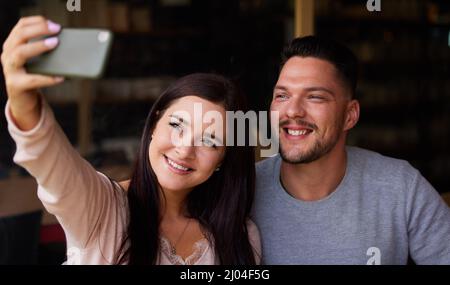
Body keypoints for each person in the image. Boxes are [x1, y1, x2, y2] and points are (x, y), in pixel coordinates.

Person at [1, 16, 261, 265]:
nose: (184, 149)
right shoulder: (103, 207)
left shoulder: (239, 236)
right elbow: (53, 165)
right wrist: (24, 102)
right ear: (154, 126)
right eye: (176, 125)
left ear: (224, 157)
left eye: (209, 141)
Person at [253, 36, 450, 265]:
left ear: (350, 115)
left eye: (315, 97)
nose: (292, 111)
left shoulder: (400, 186)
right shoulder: (243, 189)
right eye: (282, 96)